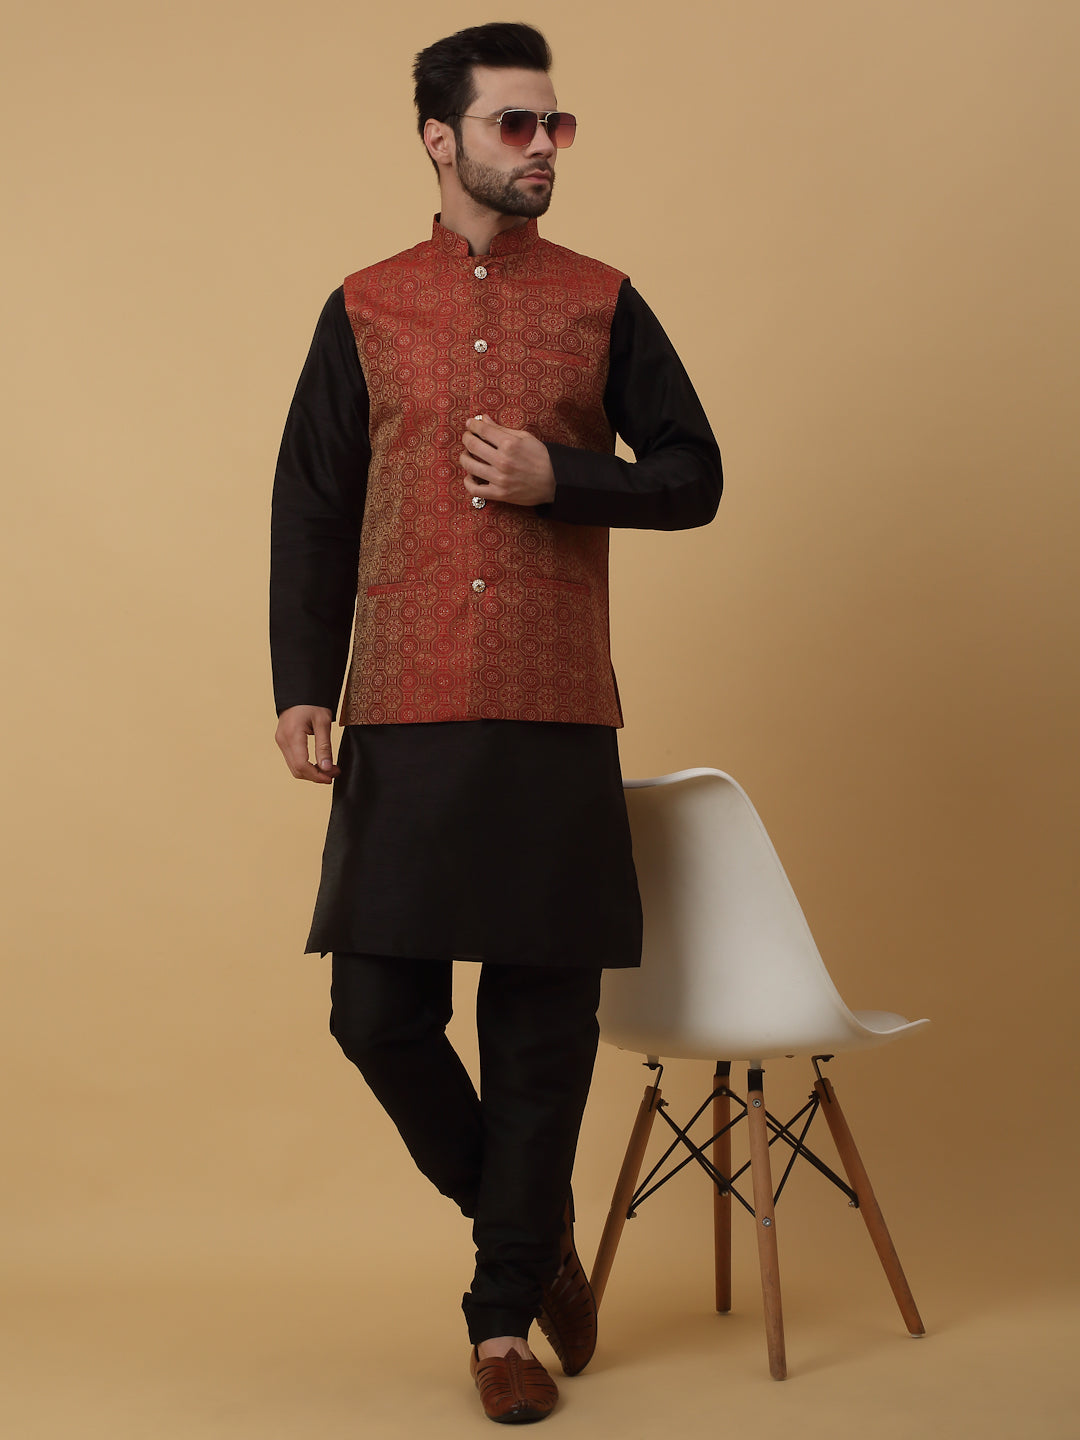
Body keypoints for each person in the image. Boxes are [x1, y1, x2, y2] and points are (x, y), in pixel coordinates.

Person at [270, 21, 721, 1424]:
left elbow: (695, 475)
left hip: (551, 707)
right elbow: (314, 503)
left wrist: (562, 477)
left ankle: (502, 1321)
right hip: (403, 703)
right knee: (375, 1015)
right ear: (440, 137)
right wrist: (302, 682)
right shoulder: (364, 308)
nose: (541, 147)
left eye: (554, 124)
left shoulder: (601, 301)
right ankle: (531, 1228)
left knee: (540, 1026)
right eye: (513, 124)